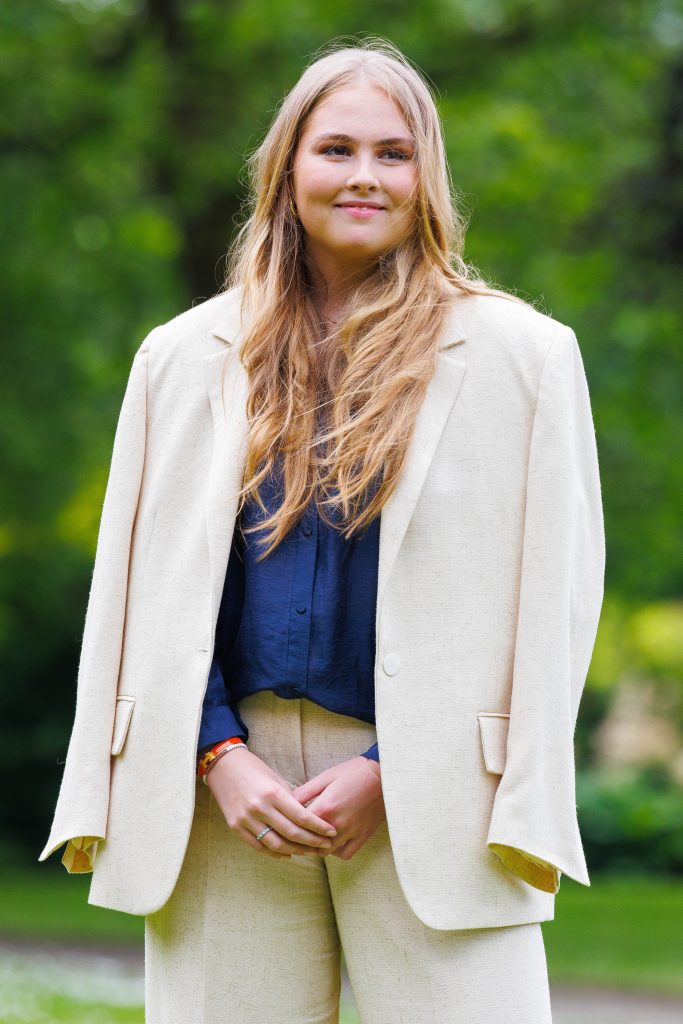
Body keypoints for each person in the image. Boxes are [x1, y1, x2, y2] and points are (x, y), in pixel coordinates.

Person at [38, 37, 605, 1024]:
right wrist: (218, 754)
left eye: (391, 153)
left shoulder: (526, 358)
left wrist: (390, 773)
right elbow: (135, 597)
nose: (362, 175)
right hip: (222, 797)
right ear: (287, 167)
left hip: (437, 799)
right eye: (334, 148)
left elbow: (557, 603)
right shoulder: (177, 358)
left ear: (426, 174)